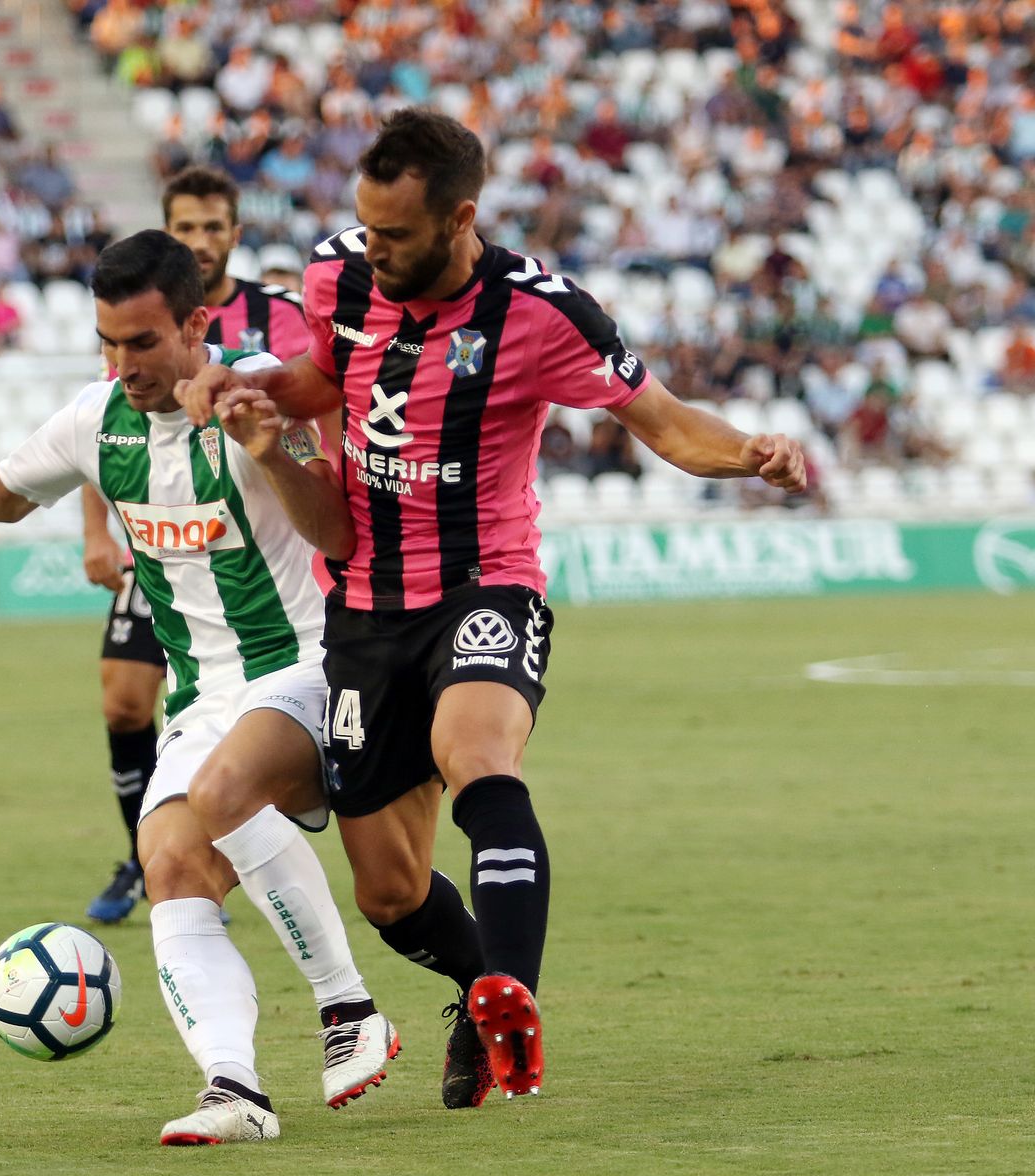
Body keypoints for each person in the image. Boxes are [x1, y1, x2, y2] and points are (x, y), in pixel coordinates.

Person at [180, 109, 807, 1108]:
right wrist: (248, 386)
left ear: (459, 219)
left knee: (479, 749)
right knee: (388, 890)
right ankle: (478, 985)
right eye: (364, 228)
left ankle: (513, 988)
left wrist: (750, 452)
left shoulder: (540, 312)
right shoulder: (336, 274)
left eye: (394, 235)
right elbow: (316, 379)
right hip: (365, 612)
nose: (371, 250)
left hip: (486, 583)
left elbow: (664, 420)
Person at [0, 230, 397, 1145]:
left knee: (232, 798)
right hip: (204, 692)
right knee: (169, 863)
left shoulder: (261, 389)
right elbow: (0, 492)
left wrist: (265, 451)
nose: (123, 364)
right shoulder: (97, 418)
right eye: (107, 342)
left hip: (310, 664)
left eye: (141, 343)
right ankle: (236, 1090)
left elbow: (338, 534)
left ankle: (348, 1009)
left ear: (196, 323)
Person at [81, 165, 311, 924]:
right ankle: (148, 853)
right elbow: (96, 425)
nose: (201, 241)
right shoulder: (132, 322)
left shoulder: (279, 317)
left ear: (235, 236)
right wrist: (95, 531)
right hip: (163, 543)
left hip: (256, 551)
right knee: (121, 701)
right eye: (187, 227)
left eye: (215, 227)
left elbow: (321, 408)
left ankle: (240, 825)